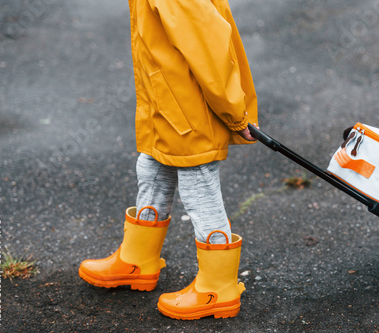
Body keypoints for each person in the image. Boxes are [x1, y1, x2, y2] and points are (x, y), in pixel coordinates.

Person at [78, 0, 258, 320]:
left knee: (197, 183)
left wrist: (235, 114)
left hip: (188, 109)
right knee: (151, 167)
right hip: (166, 107)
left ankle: (218, 288)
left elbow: (209, 48)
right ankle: (138, 261)